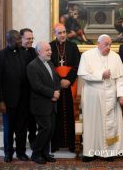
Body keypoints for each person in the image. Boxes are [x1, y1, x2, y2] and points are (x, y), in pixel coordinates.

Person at [78, 34, 123, 162]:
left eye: (110, 44)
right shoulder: (87, 56)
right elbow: (83, 74)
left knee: (111, 125)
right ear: (98, 44)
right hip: (93, 97)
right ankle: (90, 152)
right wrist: (101, 74)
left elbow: (120, 79)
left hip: (112, 96)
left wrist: (122, 95)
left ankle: (108, 153)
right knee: (92, 125)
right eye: (106, 44)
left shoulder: (116, 57)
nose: (108, 47)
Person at [0, 30, 29, 162]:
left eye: (20, 39)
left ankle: (21, 152)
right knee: (9, 129)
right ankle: (8, 152)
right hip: (8, 100)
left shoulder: (24, 54)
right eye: (18, 40)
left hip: (23, 99)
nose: (20, 42)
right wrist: (1, 101)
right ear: (9, 41)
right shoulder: (0, 56)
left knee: (22, 128)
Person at [27, 42, 60, 165]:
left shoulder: (50, 63)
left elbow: (56, 80)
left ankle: (45, 154)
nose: (50, 52)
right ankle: (36, 154)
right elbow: (36, 86)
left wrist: (56, 91)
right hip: (40, 104)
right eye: (47, 50)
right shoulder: (32, 66)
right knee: (45, 129)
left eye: (50, 49)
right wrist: (52, 93)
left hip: (52, 103)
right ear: (39, 52)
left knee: (50, 130)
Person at [50, 24, 80, 152]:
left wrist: (68, 80)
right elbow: (49, 66)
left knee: (69, 113)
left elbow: (77, 66)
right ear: (54, 33)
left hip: (69, 85)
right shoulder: (50, 46)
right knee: (55, 114)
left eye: (64, 32)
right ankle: (56, 144)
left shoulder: (73, 46)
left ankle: (71, 144)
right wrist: (59, 81)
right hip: (55, 85)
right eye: (59, 32)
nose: (62, 35)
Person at [19, 28, 38, 145]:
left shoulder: (34, 52)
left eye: (32, 38)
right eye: (28, 39)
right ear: (21, 38)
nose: (30, 41)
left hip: (33, 92)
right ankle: (20, 142)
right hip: (21, 93)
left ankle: (33, 140)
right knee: (21, 121)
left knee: (33, 119)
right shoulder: (17, 52)